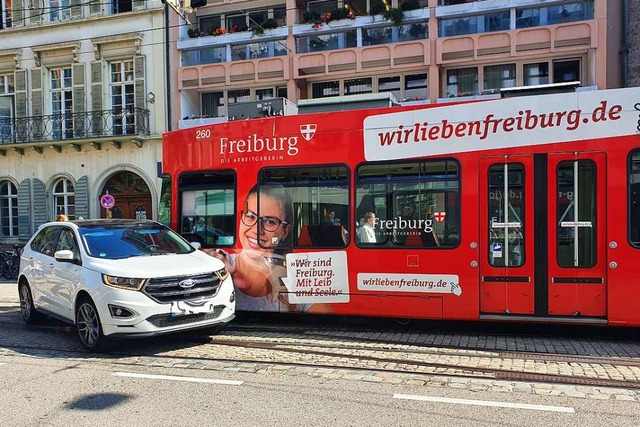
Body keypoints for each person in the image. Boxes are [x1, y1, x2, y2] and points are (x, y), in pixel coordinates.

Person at [209, 184, 332, 313]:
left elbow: (327, 324)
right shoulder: (217, 264)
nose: (257, 230)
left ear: (285, 231)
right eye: (250, 216)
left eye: (270, 221)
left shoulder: (300, 275)